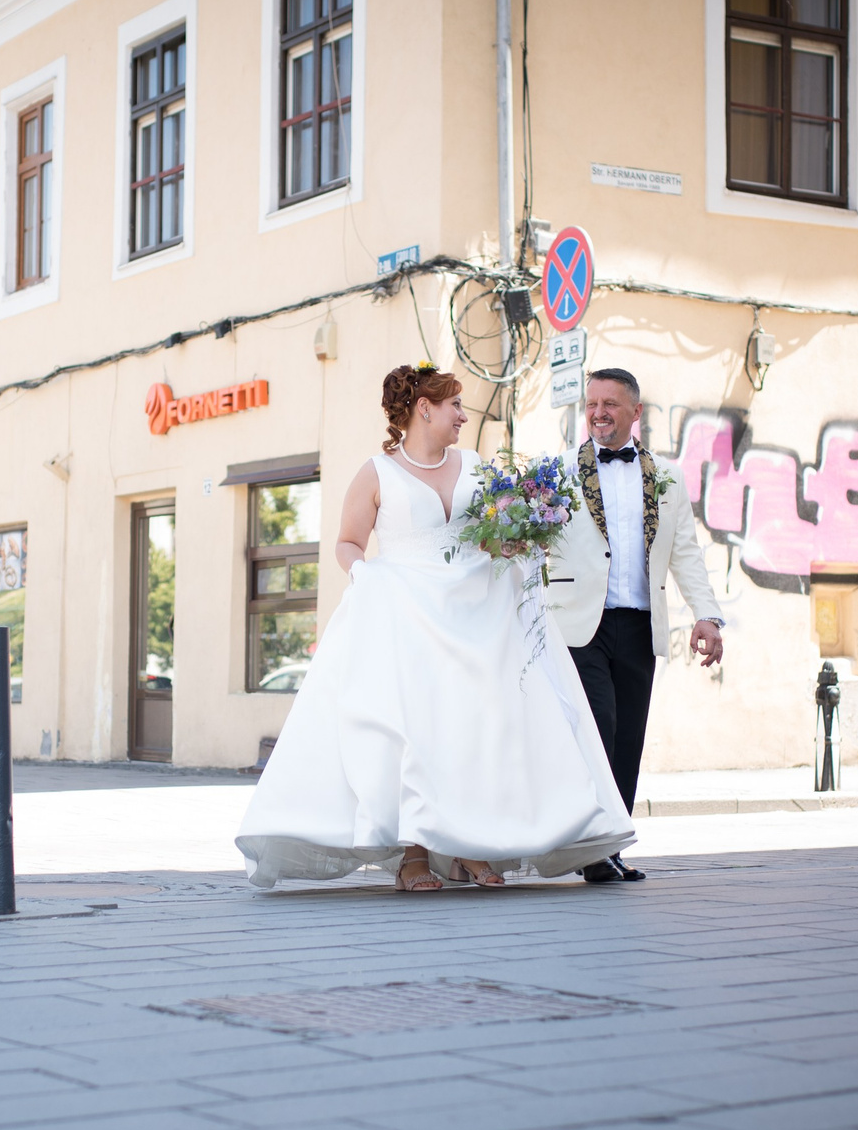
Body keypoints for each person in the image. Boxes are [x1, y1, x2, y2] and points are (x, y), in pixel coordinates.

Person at [235, 364, 633, 891]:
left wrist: (514, 542)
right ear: (424, 407)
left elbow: (492, 533)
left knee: (479, 728)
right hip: (407, 614)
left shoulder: (473, 465)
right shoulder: (375, 472)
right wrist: (366, 577)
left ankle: (471, 848)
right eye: (455, 407)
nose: (464, 416)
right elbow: (347, 543)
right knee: (418, 731)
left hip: (479, 611)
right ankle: (414, 855)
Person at [543, 367, 726, 884]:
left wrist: (706, 616)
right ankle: (590, 844)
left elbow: (686, 554)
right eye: (592, 403)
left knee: (628, 739)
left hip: (641, 624)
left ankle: (611, 846)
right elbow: (533, 546)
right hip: (580, 625)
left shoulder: (667, 477)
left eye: (610, 403)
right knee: (599, 726)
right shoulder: (558, 472)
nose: (598, 412)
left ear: (635, 412)